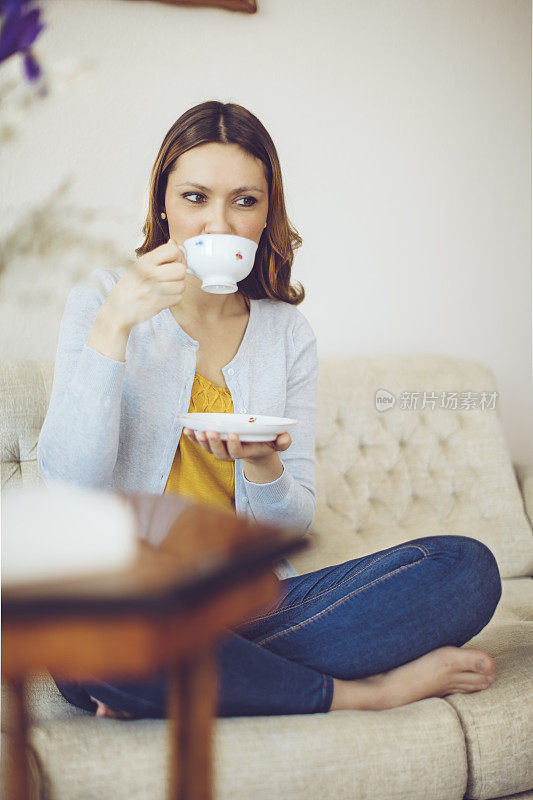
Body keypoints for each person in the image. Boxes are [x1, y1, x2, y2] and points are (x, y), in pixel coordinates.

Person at [37, 100, 501, 720]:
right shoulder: (102, 300)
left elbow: (293, 520)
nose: (220, 225)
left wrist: (261, 466)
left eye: (244, 201)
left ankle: (183, 677)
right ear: (163, 205)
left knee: (465, 569)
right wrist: (115, 326)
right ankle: (365, 693)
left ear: (267, 214)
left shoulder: (287, 334)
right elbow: (70, 483)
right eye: (196, 198)